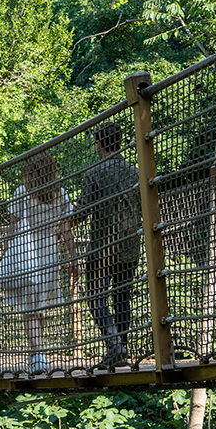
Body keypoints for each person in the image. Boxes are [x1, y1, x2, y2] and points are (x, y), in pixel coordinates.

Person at [0, 152, 77, 374]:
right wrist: (73, 258)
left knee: (30, 309)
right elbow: (66, 230)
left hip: (26, 254)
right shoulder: (60, 194)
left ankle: (38, 354)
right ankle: (37, 353)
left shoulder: (21, 193)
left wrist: (5, 252)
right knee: (38, 307)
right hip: (50, 254)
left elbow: (12, 228)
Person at [75, 122, 141, 368]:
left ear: (99, 145)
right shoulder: (135, 171)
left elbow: (82, 211)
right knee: (122, 298)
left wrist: (63, 221)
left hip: (102, 249)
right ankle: (122, 349)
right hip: (130, 246)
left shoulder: (94, 173)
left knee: (95, 296)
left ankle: (115, 345)